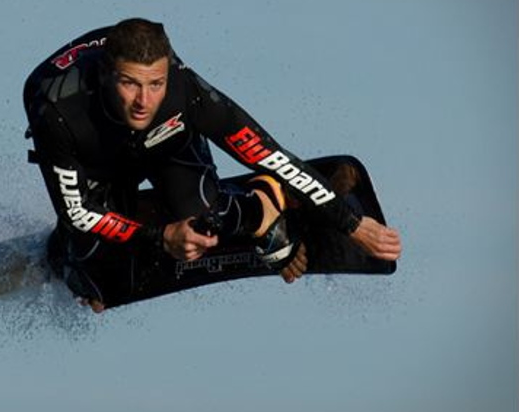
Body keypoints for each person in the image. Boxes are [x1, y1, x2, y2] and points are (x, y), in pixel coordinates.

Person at [23, 18, 401, 313]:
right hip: (96, 158)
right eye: (130, 84)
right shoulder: (57, 111)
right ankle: (105, 248)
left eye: (155, 83)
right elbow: (76, 212)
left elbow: (270, 154)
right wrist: (161, 237)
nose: (144, 101)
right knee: (96, 279)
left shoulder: (182, 90)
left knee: (202, 212)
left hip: (165, 144)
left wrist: (348, 223)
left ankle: (263, 205)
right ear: (107, 74)